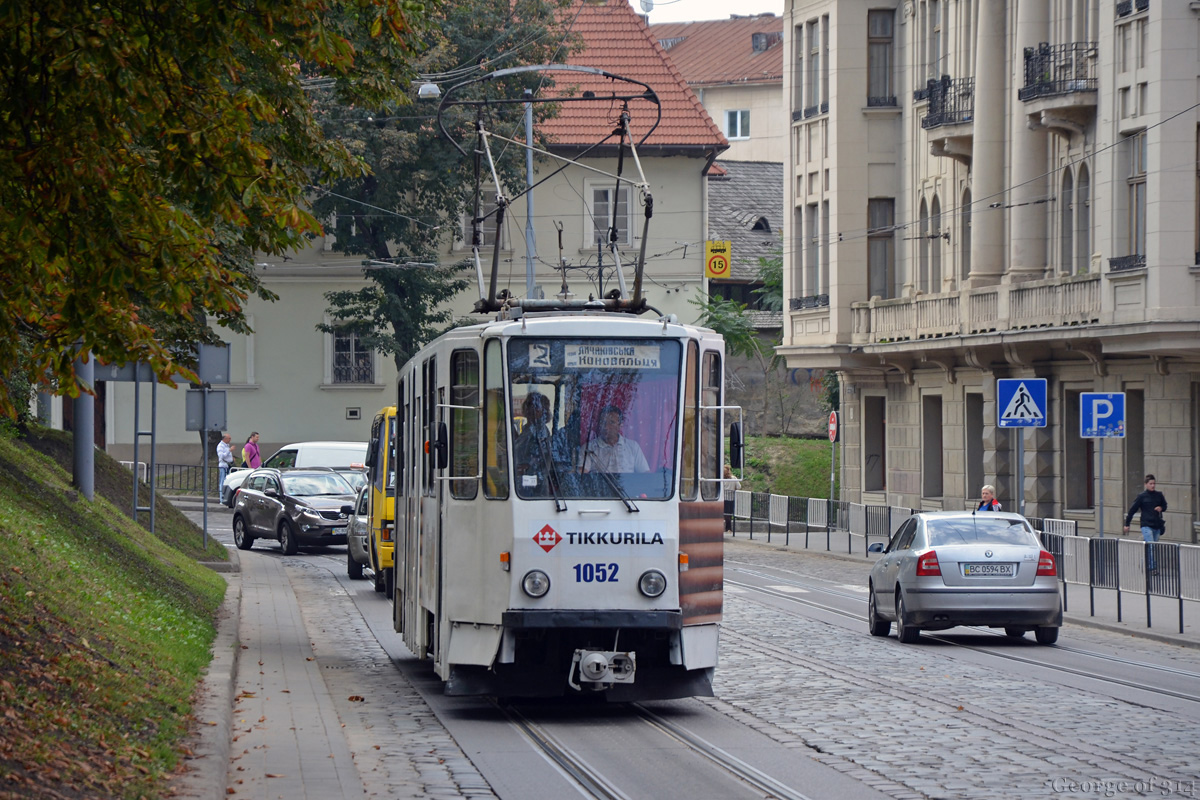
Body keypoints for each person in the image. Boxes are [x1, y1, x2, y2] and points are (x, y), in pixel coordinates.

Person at [582, 405, 649, 474]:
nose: (606, 427)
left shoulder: (633, 446)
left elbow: (645, 475)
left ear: (620, 425)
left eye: (612, 422)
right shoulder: (589, 448)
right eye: (603, 422)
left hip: (626, 481)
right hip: (598, 481)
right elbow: (581, 474)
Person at [1124, 474, 1167, 573]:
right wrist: (1127, 524)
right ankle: (1152, 568)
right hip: (1146, 525)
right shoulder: (1142, 496)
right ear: (1146, 484)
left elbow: (1165, 506)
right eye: (1150, 484)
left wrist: (1161, 508)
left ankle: (1144, 562)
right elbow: (1132, 510)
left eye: (1154, 483)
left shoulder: (1159, 495)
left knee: (1152, 547)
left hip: (1156, 525)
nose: (1153, 485)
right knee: (1151, 546)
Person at [513, 393, 554, 493]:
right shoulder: (528, 428)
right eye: (529, 406)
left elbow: (532, 457)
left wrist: (524, 465)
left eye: (536, 408)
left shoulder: (539, 431)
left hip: (534, 483)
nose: (531, 410)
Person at [723, 463, 741, 532]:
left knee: (725, 513)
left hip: (724, 498)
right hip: (732, 498)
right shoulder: (734, 478)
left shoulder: (722, 479)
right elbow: (739, 487)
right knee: (730, 513)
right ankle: (729, 528)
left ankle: (728, 528)